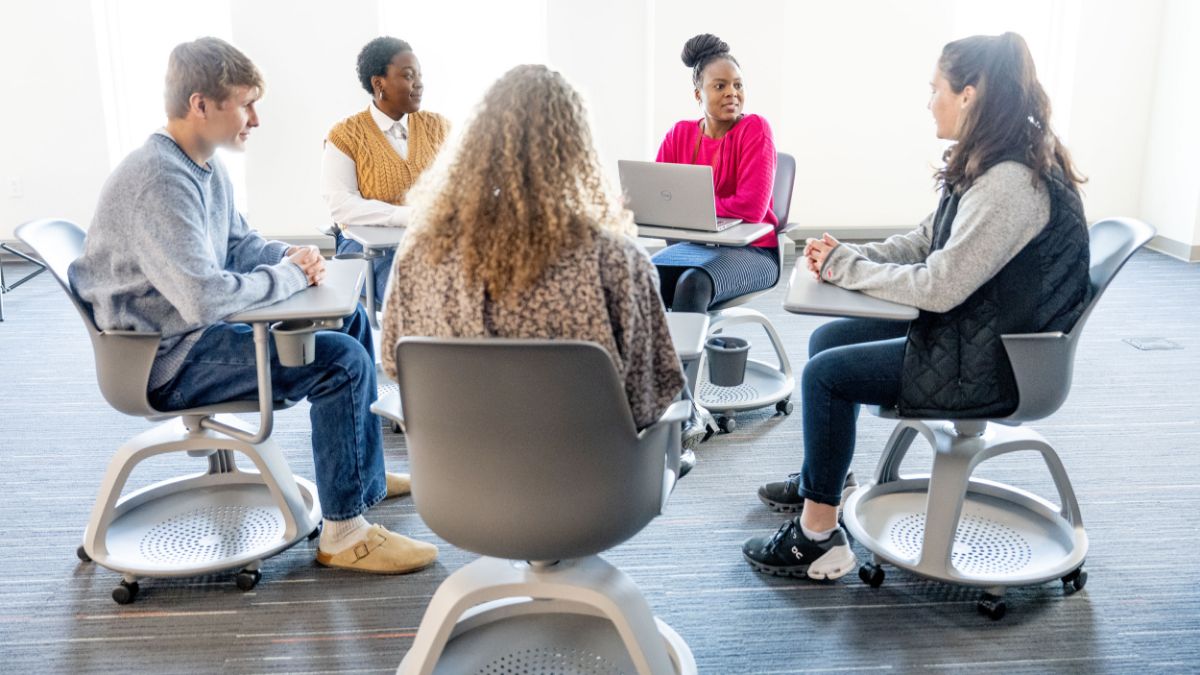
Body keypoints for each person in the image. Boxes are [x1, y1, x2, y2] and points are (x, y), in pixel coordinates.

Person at [69, 37, 437, 575]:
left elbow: (239, 245)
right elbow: (204, 297)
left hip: (185, 335)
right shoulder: (159, 181)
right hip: (164, 358)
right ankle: (344, 535)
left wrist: (289, 255)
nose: (257, 119)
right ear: (201, 105)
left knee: (350, 318)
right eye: (246, 104)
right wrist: (287, 275)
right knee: (340, 362)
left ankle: (363, 480)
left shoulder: (201, 165)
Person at [743, 32, 1091, 580]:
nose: (929, 101)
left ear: (969, 94)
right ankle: (825, 480)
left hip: (995, 366)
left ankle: (817, 537)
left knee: (825, 375)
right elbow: (929, 239)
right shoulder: (990, 159)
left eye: (935, 89)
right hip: (978, 336)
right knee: (826, 340)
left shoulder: (1010, 184)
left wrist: (849, 271)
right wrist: (849, 255)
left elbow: (939, 286)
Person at [380, 64, 686, 445]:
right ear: (576, 150)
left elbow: (395, 365)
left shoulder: (421, 250)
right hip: (592, 486)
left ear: (477, 145)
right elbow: (647, 404)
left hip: (460, 484)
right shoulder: (617, 261)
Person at [652, 33, 780, 315]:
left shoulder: (755, 129)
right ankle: (646, 359)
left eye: (738, 85)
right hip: (696, 248)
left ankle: (682, 361)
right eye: (720, 86)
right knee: (640, 279)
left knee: (693, 283)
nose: (732, 93)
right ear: (699, 94)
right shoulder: (679, 134)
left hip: (754, 252)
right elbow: (658, 201)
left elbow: (750, 209)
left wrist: (691, 209)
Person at [322, 37, 451, 302]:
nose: (419, 84)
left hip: (432, 243)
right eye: (408, 76)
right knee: (416, 293)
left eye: (420, 76)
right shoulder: (346, 135)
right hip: (371, 249)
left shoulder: (439, 128)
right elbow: (341, 205)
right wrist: (405, 216)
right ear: (378, 83)